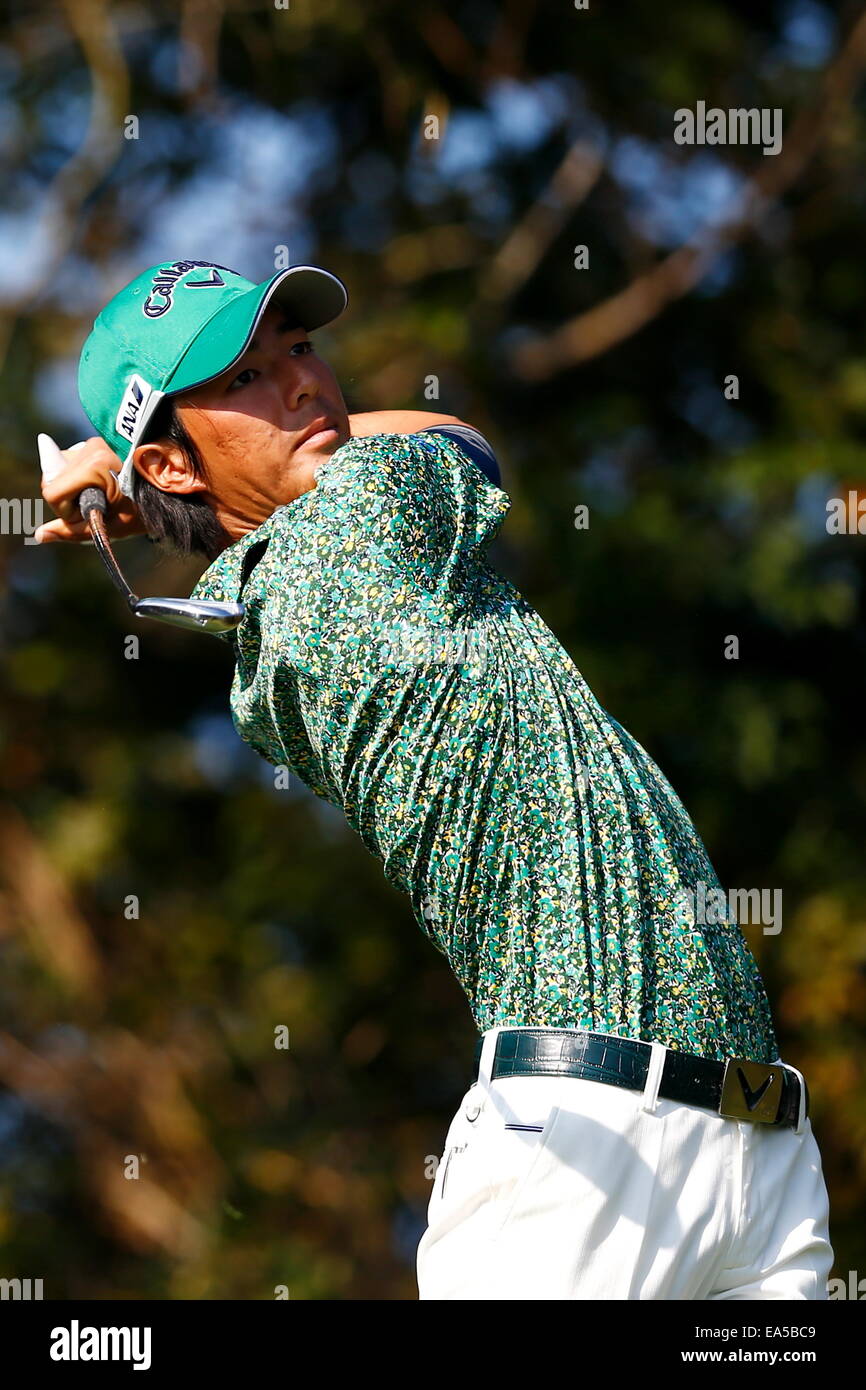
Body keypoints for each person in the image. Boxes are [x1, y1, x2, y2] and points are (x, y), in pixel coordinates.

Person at [37, 258, 834, 1300]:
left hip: (748, 1147)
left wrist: (156, 478)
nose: (306, 386)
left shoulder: (296, 574)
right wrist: (125, 465)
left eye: (301, 349)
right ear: (177, 468)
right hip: (579, 1149)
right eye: (244, 378)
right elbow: (458, 439)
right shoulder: (347, 533)